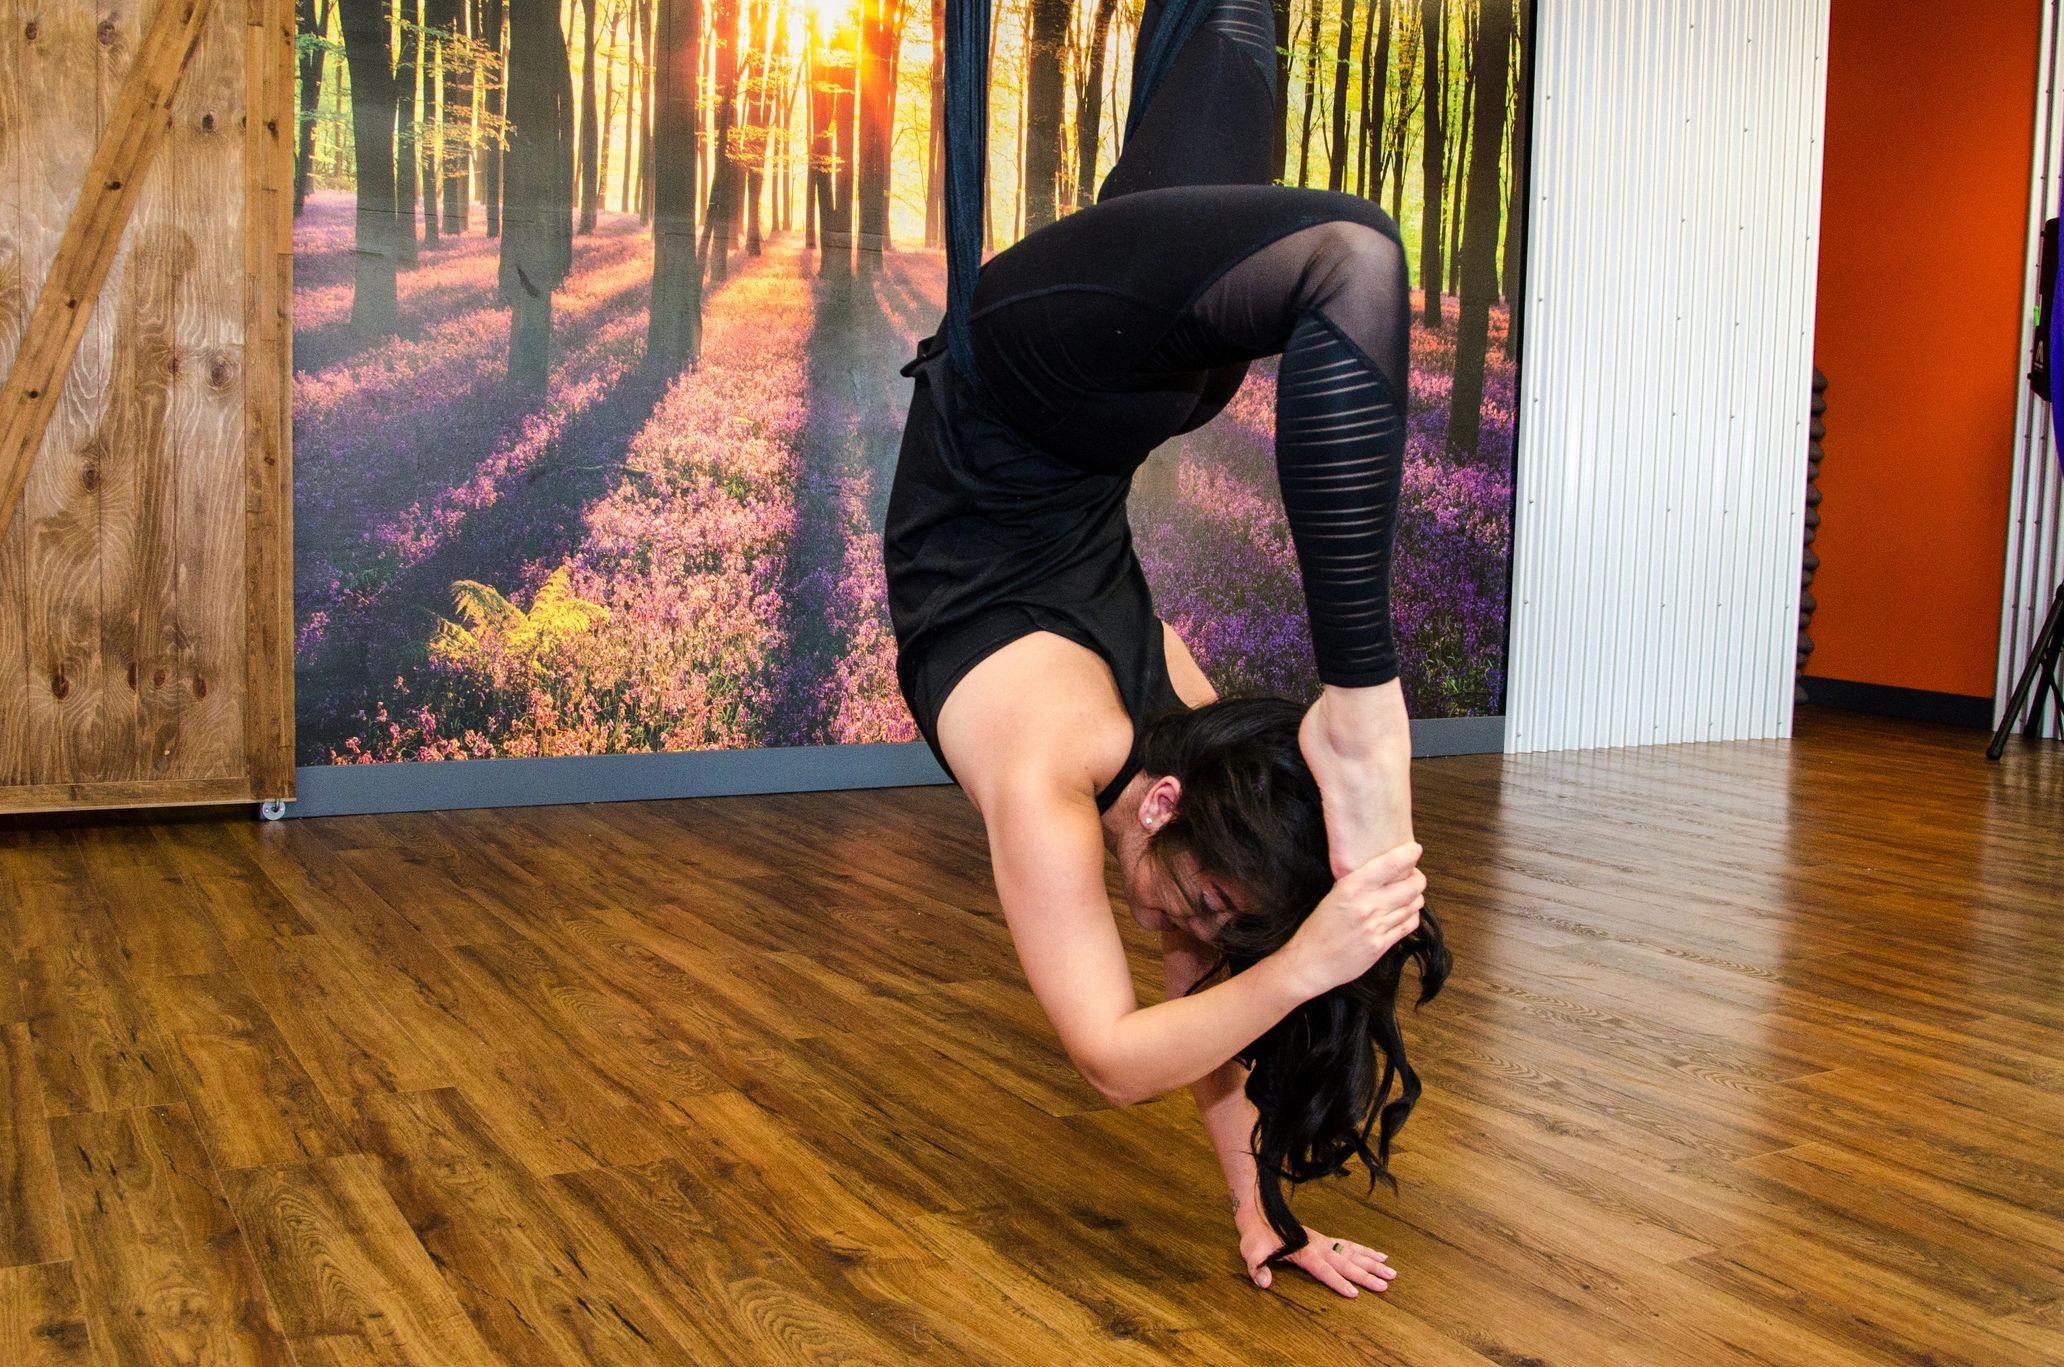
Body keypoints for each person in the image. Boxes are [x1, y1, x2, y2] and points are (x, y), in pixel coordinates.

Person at [883, 0, 1450, 1297]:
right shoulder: (1177, 740)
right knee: (1255, 66)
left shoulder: (1050, 786)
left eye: (1205, 923)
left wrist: (1299, 985)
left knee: (1342, 252)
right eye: (1206, 912)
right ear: (1180, 799)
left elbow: (1130, 1049)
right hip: (1091, 388)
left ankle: (1362, 711)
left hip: (1041, 377)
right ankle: (1360, 713)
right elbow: (1183, 1039)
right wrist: (1270, 1205)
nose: (1179, 932)